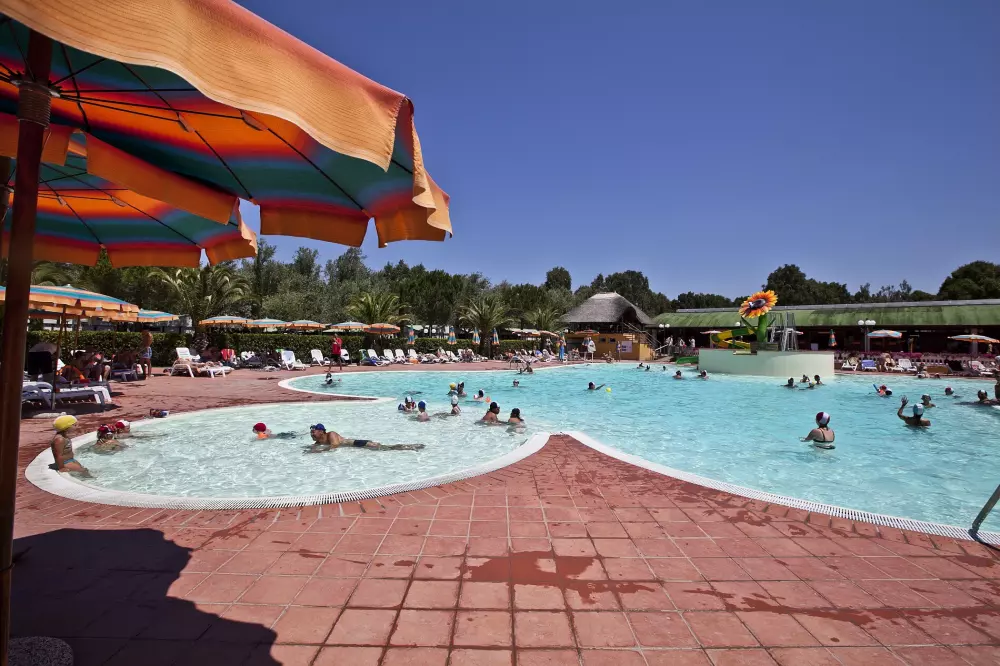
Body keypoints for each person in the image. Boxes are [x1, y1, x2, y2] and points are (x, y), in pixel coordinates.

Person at [308, 423, 424, 452]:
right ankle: (408, 447)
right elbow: (314, 447)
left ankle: (409, 447)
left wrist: (320, 451)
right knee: (384, 449)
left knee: (385, 448)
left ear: (321, 432)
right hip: (357, 447)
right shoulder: (318, 443)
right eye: (311, 433)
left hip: (358, 443)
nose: (312, 434)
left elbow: (335, 445)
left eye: (313, 432)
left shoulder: (331, 434)